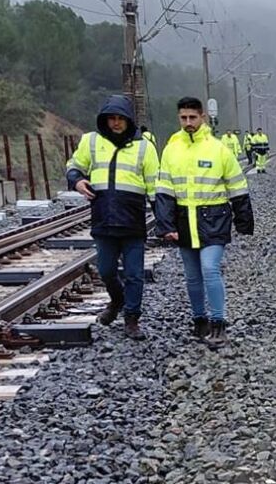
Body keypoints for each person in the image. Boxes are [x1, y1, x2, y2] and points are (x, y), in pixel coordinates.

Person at [156, 97, 253, 345]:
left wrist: (244, 221)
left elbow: (237, 186)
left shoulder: (218, 149)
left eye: (192, 117)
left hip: (214, 219)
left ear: (202, 118)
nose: (188, 122)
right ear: (179, 118)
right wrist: (165, 225)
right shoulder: (171, 149)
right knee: (191, 275)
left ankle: (219, 322)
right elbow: (165, 189)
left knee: (210, 268)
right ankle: (199, 320)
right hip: (183, 220)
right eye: (183, 118)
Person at [68, 95, 160, 339]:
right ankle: (117, 300)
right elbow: (74, 166)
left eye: (121, 119)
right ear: (105, 120)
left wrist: (164, 221)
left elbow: (154, 188)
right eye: (112, 118)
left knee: (134, 274)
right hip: (104, 219)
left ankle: (132, 319)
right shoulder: (91, 142)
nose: (116, 123)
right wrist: (76, 181)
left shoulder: (144, 147)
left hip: (132, 222)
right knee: (106, 270)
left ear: (129, 120)